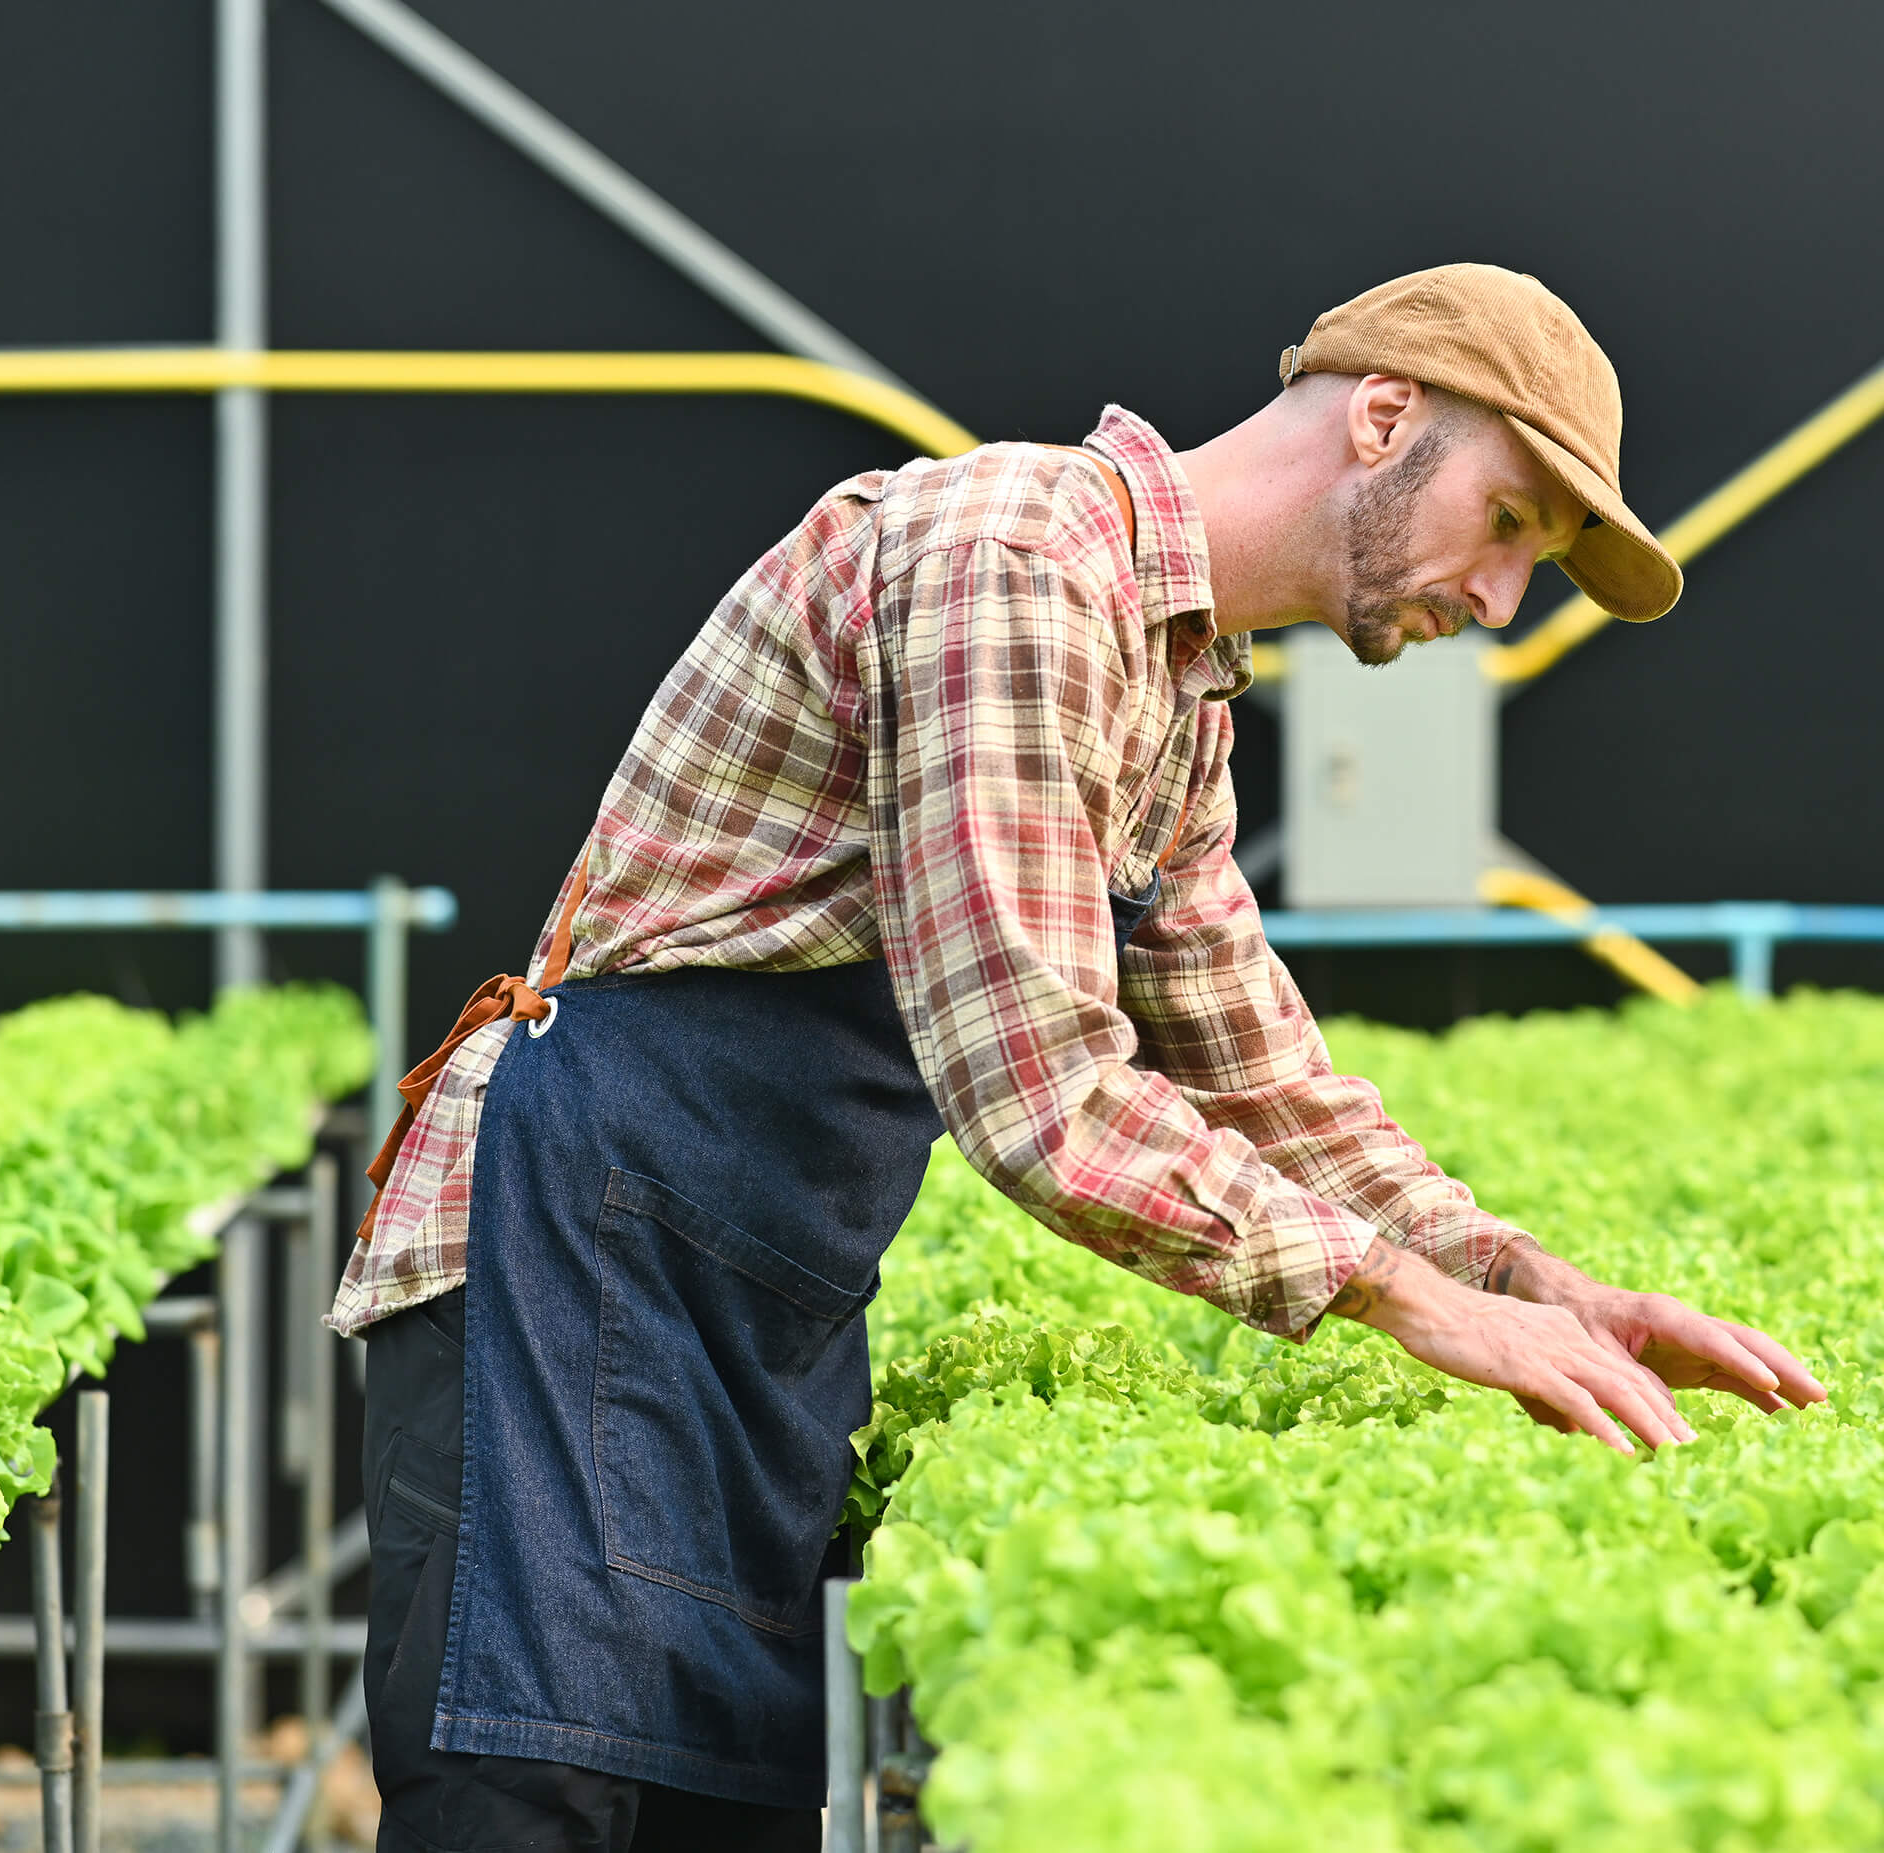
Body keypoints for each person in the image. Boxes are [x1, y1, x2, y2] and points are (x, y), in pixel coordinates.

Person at [328, 263, 1826, 1853]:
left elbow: (1267, 1084)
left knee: (716, 1813)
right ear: (1384, 418)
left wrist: (1542, 1289)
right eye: (1513, 520)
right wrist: (1410, 1303)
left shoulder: (1175, 696)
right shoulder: (1016, 563)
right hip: (567, 1264)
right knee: (530, 1808)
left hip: (745, 1309)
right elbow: (1037, 1092)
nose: (1504, 599)